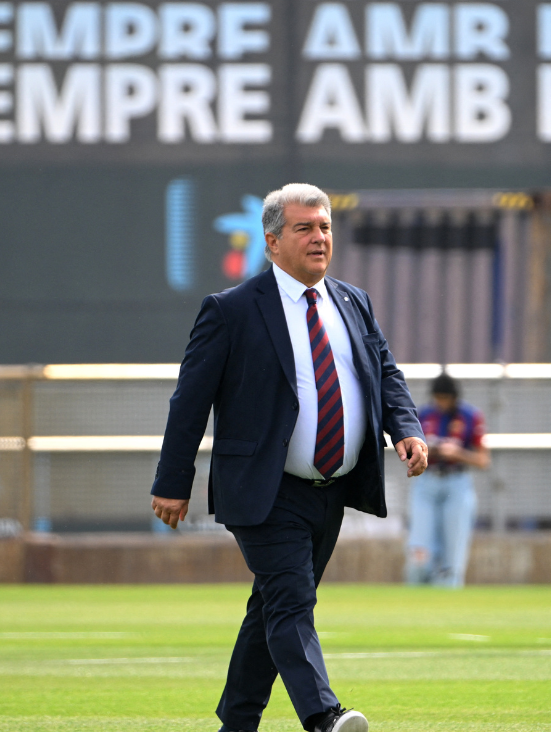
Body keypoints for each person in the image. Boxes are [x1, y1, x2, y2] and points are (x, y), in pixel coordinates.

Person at [150, 183, 428, 732]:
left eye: (324, 227)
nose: (319, 238)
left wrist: (406, 427)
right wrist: (172, 480)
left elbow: (383, 372)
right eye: (305, 228)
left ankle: (237, 721)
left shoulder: (353, 301)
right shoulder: (230, 311)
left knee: (273, 609)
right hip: (263, 488)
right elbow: (190, 401)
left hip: (332, 490)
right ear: (273, 242)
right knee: (293, 601)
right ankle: (324, 717)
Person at [405, 372, 489, 588]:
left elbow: (483, 460)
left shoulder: (470, 416)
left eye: (445, 398)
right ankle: (414, 602)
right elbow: (407, 450)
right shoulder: (423, 415)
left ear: (454, 398)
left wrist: (457, 453)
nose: (441, 403)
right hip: (427, 483)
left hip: (457, 483)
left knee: (453, 555)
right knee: (420, 552)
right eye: (437, 398)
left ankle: (448, 605)